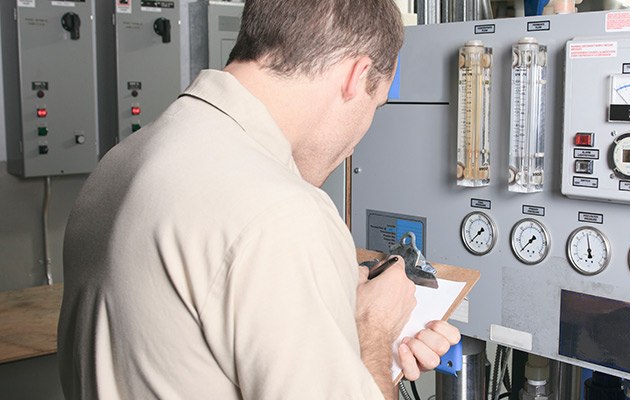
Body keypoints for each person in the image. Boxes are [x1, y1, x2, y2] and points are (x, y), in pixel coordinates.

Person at [57, 0, 460, 398]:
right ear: (357, 75)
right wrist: (373, 330)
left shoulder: (120, 161)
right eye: (377, 105)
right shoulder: (282, 214)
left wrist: (335, 307)